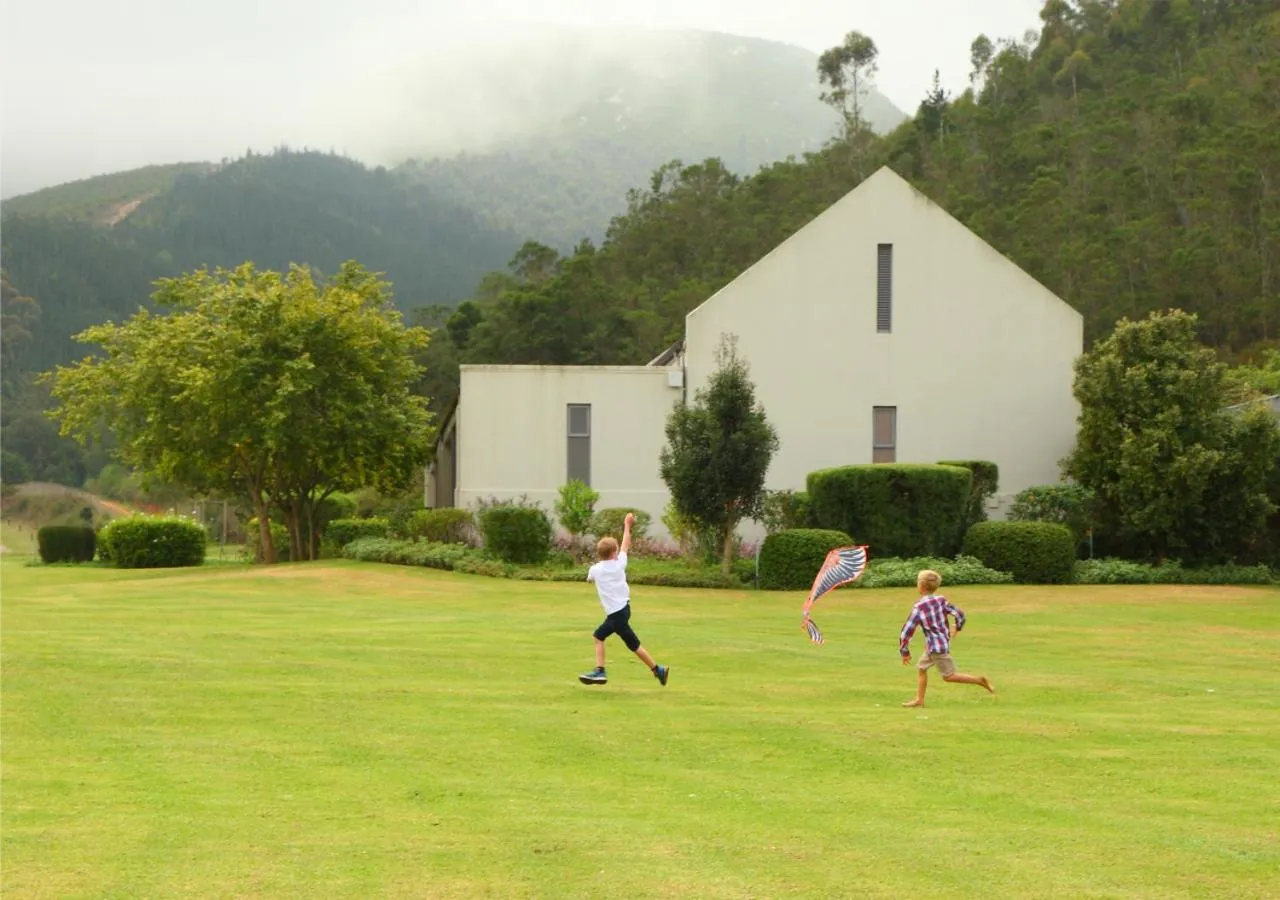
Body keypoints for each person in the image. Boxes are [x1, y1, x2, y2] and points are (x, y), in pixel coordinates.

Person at [578, 512, 670, 687]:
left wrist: (593, 580)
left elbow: (589, 579)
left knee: (598, 636)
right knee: (633, 644)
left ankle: (600, 671)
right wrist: (627, 525)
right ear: (614, 552)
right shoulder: (620, 564)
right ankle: (658, 670)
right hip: (624, 610)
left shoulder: (595, 570)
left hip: (615, 614)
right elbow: (626, 543)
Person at [898, 569, 993, 707]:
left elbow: (906, 631)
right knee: (921, 668)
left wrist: (904, 651)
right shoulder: (941, 600)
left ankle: (979, 680)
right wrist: (957, 627)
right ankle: (919, 700)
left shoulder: (919, 607)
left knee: (949, 676)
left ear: (921, 587)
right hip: (935, 645)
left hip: (936, 648)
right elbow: (959, 614)